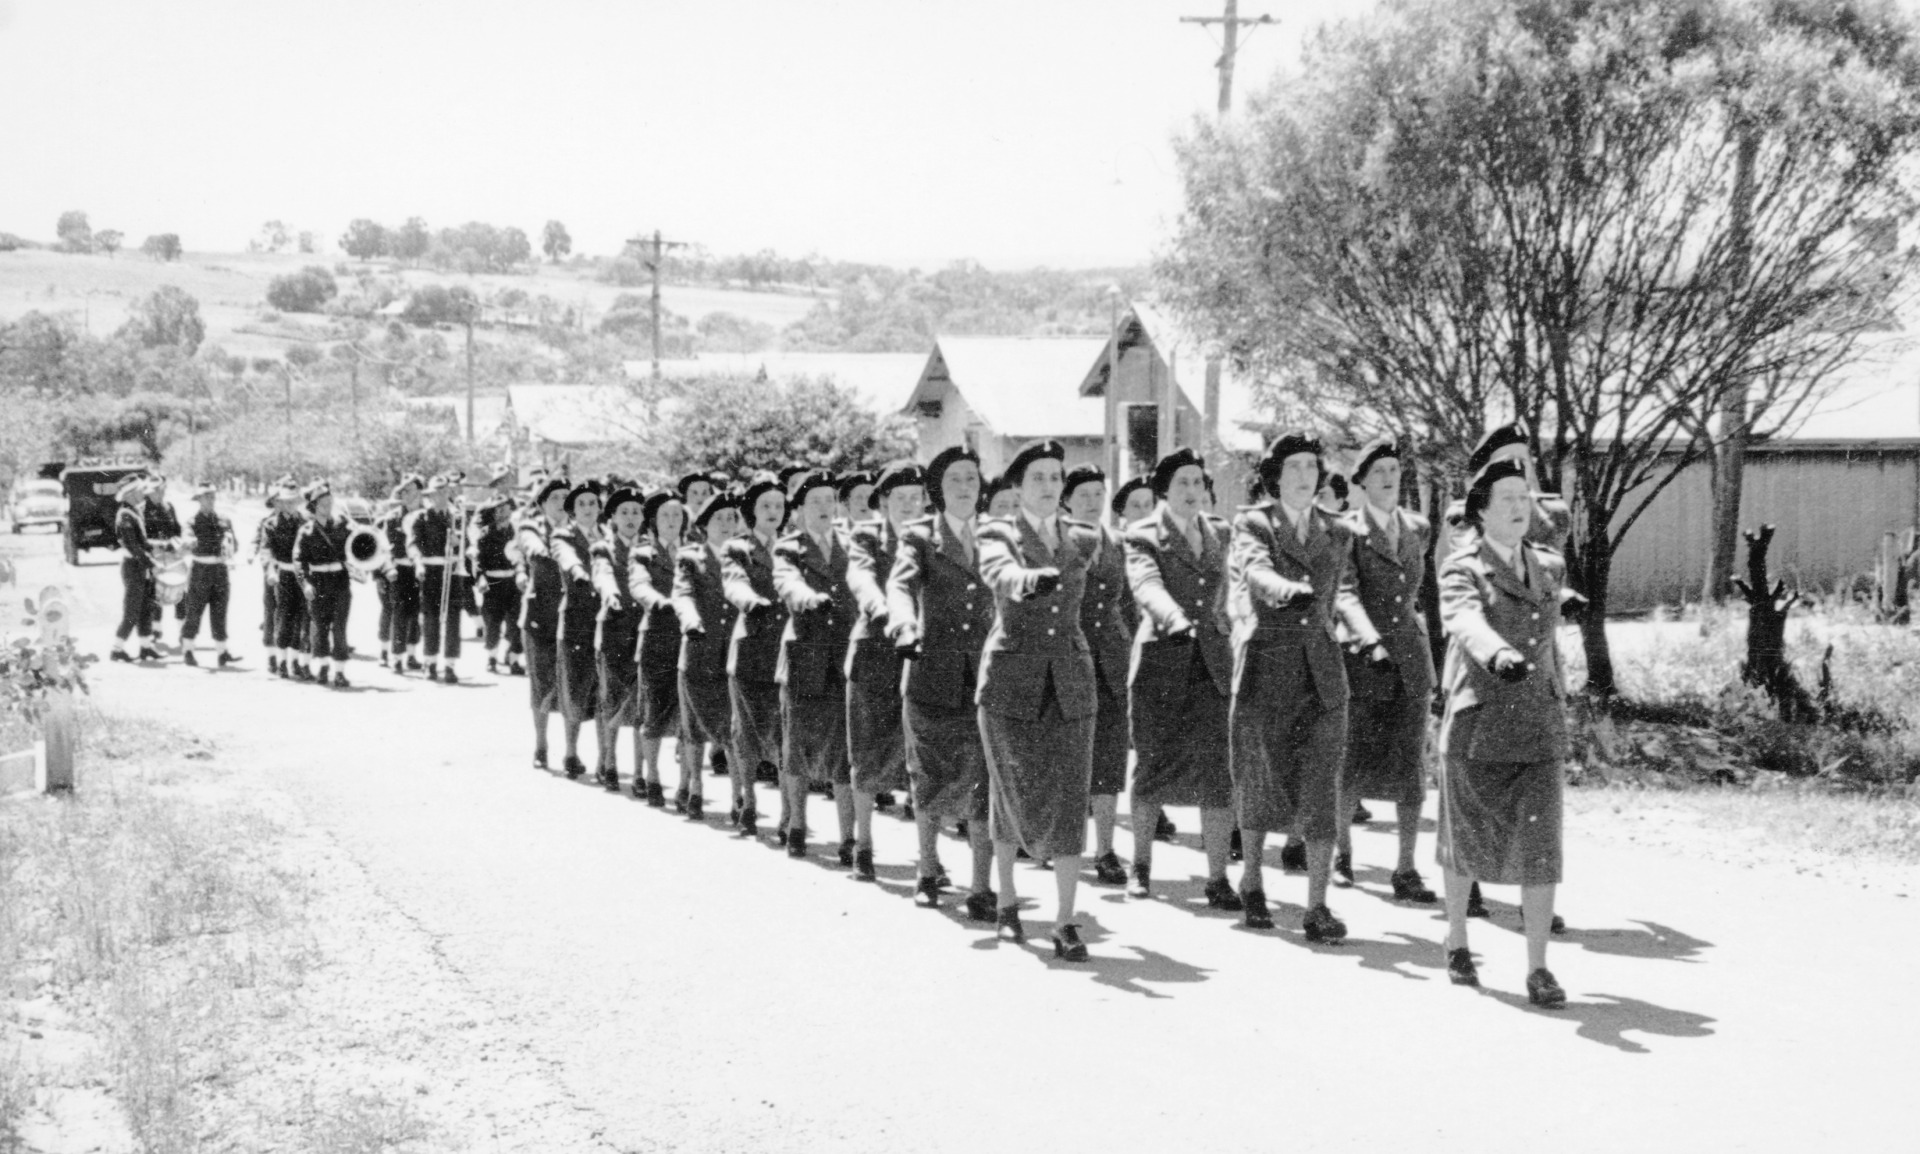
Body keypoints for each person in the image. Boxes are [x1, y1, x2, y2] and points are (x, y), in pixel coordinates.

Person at [1227, 431, 1389, 942]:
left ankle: (1316, 905)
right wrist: (1285, 590)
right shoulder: (1254, 522)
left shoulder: (1337, 531)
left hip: (1322, 673)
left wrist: (1367, 637)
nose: (1303, 476)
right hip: (1266, 666)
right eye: (1293, 466)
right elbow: (1254, 570)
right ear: (1274, 475)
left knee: (1322, 784)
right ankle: (1252, 880)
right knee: (1260, 777)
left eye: (1310, 467)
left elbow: (1343, 592)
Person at [1435, 458, 1573, 1008]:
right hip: (1479, 719)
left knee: (1542, 848)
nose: (1520, 508)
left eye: (1526, 498)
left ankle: (1538, 966)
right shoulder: (1461, 567)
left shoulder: (1549, 565)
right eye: (1508, 498)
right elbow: (1464, 620)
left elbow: (1548, 631)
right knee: (1464, 840)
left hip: (1538, 722)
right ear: (1481, 510)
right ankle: (1457, 937)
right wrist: (1499, 652)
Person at [974, 440, 1102, 960]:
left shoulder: (1085, 538)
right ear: (1018, 486)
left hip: (1070, 681)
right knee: (1010, 794)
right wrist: (1027, 580)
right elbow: (999, 571)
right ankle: (1006, 903)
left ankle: (1066, 920)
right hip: (1010, 682)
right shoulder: (998, 531)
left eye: (1056, 477)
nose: (1050, 486)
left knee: (1072, 799)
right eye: (1039, 478)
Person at [1122, 447, 1239, 905]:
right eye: (1182, 483)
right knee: (1153, 766)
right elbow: (1145, 583)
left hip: (1213, 664)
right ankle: (1141, 866)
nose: (1192, 491)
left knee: (1218, 772)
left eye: (1198, 482)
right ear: (1164, 490)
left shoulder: (1221, 532)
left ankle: (1217, 878)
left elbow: (1237, 586)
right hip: (1161, 663)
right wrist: (1173, 617)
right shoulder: (1142, 533)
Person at [886, 446, 997, 918]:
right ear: (938, 489)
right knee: (928, 774)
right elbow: (900, 586)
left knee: (983, 782)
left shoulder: (1000, 535)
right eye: (954, 478)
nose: (965, 486)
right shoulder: (918, 536)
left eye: (971, 477)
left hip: (987, 680)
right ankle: (928, 870)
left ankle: (980, 886)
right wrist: (903, 625)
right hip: (931, 672)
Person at [1338, 437, 1439, 903]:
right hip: (1363, 659)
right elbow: (1345, 593)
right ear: (1360, 481)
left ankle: (1405, 866)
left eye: (1394, 470)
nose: (1387, 478)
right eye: (1377, 471)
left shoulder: (1418, 527)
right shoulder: (1345, 531)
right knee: (1351, 759)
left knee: (1410, 766)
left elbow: (1425, 597)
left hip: (1411, 660)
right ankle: (1342, 855)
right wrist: (1367, 639)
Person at [844, 461, 924, 880]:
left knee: (921, 754)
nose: (910, 506)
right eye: (900, 499)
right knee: (868, 750)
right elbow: (861, 578)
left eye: (917, 498)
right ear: (884, 503)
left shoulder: (933, 539)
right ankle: (864, 844)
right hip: (875, 651)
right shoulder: (866, 535)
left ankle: (928, 857)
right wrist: (884, 609)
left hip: (921, 655)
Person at [773, 471, 858, 862]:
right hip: (805, 655)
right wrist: (809, 598)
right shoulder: (788, 548)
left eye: (829, 500)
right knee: (797, 748)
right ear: (800, 510)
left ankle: (848, 837)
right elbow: (788, 583)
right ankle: (796, 825)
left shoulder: (853, 543)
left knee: (844, 750)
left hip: (844, 656)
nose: (824, 508)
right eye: (815, 502)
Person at [1059, 464, 1134, 887]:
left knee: (1108, 754)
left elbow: (1129, 603)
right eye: (1083, 493)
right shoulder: (1058, 539)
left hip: (1110, 659)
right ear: (1067, 500)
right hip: (1068, 655)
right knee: (1067, 754)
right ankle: (1061, 841)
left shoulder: (1117, 543)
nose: (1092, 501)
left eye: (1098, 493)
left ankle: (1105, 848)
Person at [722, 479, 793, 841]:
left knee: (785, 734)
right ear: (752, 510)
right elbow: (734, 583)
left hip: (787, 653)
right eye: (765, 505)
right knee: (746, 733)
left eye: (778, 505)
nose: (772, 512)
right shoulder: (738, 548)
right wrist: (751, 601)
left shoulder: (794, 546)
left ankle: (787, 814)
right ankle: (748, 801)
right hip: (751, 649)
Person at [673, 492, 745, 822]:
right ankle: (695, 787)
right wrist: (690, 621)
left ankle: (738, 795)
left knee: (733, 728)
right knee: (693, 727)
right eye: (720, 520)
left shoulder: (744, 556)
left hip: (732, 654)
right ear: (704, 526)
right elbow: (683, 594)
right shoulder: (691, 558)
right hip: (700, 651)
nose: (728, 525)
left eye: (732, 518)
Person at [629, 490, 687, 806]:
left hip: (690, 640)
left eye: (677, 515)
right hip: (657, 639)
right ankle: (651, 776)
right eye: (665, 515)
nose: (671, 521)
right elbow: (639, 584)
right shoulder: (643, 552)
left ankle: (686, 784)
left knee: (688, 716)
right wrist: (659, 602)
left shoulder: (692, 552)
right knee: (653, 710)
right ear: (653, 520)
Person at [592, 488, 646, 792]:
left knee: (641, 703)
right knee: (611, 700)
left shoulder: (650, 549)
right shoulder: (603, 548)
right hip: (614, 633)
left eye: (636, 512)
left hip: (644, 632)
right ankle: (609, 761)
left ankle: (640, 772)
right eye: (623, 512)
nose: (630, 518)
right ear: (612, 517)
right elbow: (602, 574)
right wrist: (610, 593)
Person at [551, 482, 606, 778]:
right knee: (574, 688)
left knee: (603, 690)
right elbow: (567, 557)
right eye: (582, 504)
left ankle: (604, 758)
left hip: (607, 620)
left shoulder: (609, 536)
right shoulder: (563, 535)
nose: (588, 509)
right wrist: (580, 572)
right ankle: (571, 752)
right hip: (576, 621)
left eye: (593, 503)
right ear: (573, 510)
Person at [517, 477, 570, 771]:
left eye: (566, 497)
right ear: (542, 504)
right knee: (541, 684)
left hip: (571, 615)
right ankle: (541, 744)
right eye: (555, 498)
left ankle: (571, 749)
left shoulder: (579, 530)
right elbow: (533, 548)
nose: (562, 503)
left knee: (570, 683)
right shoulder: (531, 527)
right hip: (541, 618)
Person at [408, 476, 470, 684]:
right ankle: (430, 663)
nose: (441, 497)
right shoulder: (421, 518)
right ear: (430, 496)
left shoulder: (457, 517)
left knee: (453, 619)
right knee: (431, 618)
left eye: (444, 492)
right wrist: (418, 563)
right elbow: (413, 544)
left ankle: (450, 665)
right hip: (430, 571)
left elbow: (467, 544)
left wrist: (458, 540)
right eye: (436, 493)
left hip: (452, 571)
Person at [293, 484, 354, 689]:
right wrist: (305, 584)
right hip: (318, 583)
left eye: (330, 502)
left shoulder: (343, 524)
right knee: (319, 629)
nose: (328, 506)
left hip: (340, 581)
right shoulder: (306, 531)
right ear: (314, 506)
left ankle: (339, 673)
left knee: (339, 628)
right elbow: (299, 562)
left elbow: (359, 542)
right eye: (323, 503)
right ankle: (323, 668)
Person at [177, 482, 239, 668]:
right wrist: (190, 542)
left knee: (220, 612)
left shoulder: (224, 520)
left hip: (220, 570)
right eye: (206, 497)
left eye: (212, 496)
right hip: (200, 570)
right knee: (194, 611)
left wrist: (231, 546)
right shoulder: (192, 522)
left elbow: (234, 544)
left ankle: (222, 652)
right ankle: (188, 649)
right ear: (199, 500)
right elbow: (187, 537)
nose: (210, 500)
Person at [261, 482, 313, 680]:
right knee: (284, 618)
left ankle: (298, 663)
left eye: (293, 501)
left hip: (304, 576)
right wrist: (271, 570)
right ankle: (282, 662)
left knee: (304, 619)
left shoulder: (306, 522)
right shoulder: (271, 524)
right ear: (280, 503)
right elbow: (267, 550)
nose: (290, 505)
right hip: (283, 575)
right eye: (286, 501)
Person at [377, 475, 426, 673]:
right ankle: (395, 656)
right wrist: (381, 575)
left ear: (420, 492)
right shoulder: (392, 517)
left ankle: (412, 654)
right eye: (404, 491)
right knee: (397, 614)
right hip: (398, 572)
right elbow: (383, 549)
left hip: (421, 571)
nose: (406, 495)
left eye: (411, 490)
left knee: (416, 613)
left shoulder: (426, 516)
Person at [110, 476, 161, 663]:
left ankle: (146, 647)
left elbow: (142, 543)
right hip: (133, 566)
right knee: (132, 610)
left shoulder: (133, 512)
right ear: (130, 494)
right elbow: (133, 546)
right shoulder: (125, 515)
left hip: (139, 566)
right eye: (139, 491)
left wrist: (158, 547)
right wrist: (151, 563)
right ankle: (117, 648)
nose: (143, 494)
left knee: (145, 608)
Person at [472, 496, 525, 675]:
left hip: (513, 582)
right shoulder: (485, 533)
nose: (503, 513)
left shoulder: (516, 531)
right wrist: (480, 578)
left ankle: (514, 659)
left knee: (517, 622)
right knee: (493, 622)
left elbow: (521, 555)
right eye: (499, 510)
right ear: (493, 513)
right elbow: (478, 560)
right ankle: (492, 658)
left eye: (506, 509)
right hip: (493, 582)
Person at [142, 475, 185, 649]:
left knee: (180, 591)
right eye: (156, 491)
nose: (160, 493)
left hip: (172, 556)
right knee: (155, 593)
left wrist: (177, 542)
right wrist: (159, 545)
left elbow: (177, 530)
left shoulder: (169, 507)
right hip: (154, 556)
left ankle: (183, 630)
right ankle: (155, 629)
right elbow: (142, 537)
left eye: (162, 490)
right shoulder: (142, 509)